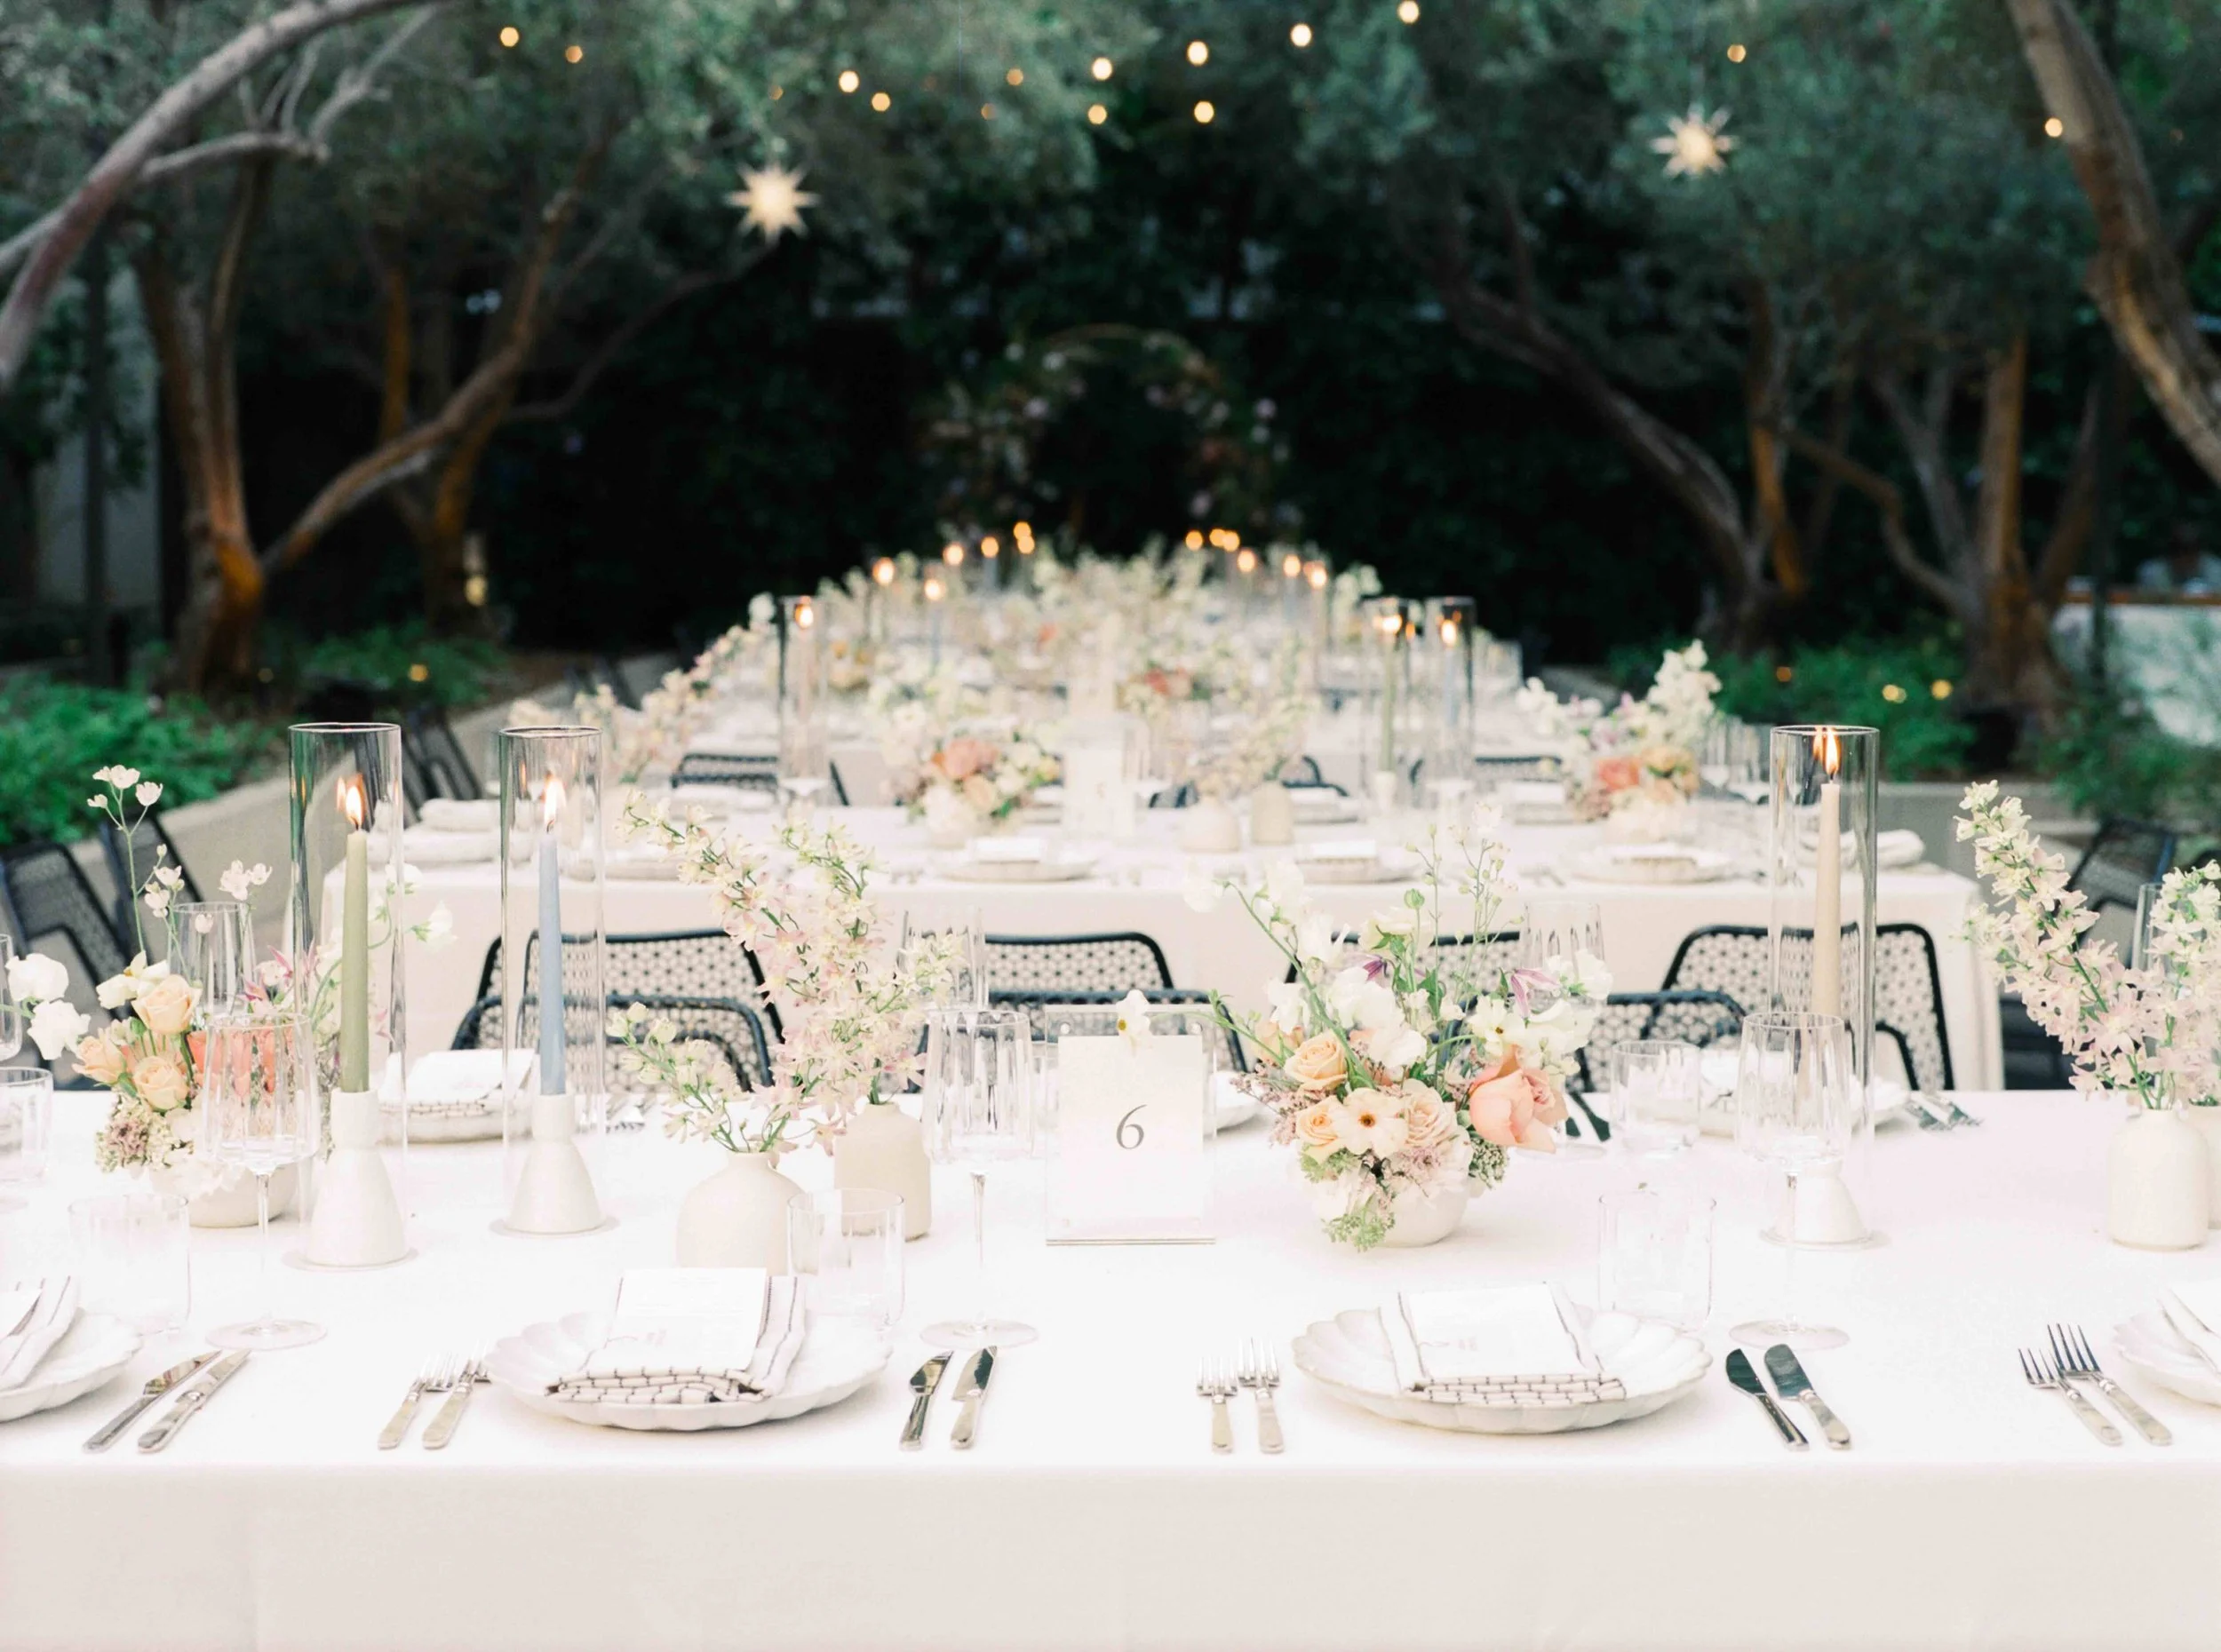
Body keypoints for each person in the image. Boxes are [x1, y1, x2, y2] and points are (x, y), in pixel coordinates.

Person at [2136, 522, 2221, 595]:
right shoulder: (2152, 572)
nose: (2184, 558)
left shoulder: (2216, 570)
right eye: (2179, 551)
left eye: (2190, 551)